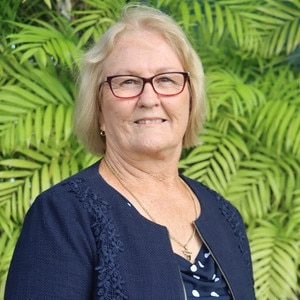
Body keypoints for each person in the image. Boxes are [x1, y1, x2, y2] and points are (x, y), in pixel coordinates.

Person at [5, 4, 255, 300]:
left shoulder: (225, 216)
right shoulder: (62, 216)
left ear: (190, 99)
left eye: (166, 79)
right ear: (98, 110)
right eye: (128, 82)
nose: (149, 98)